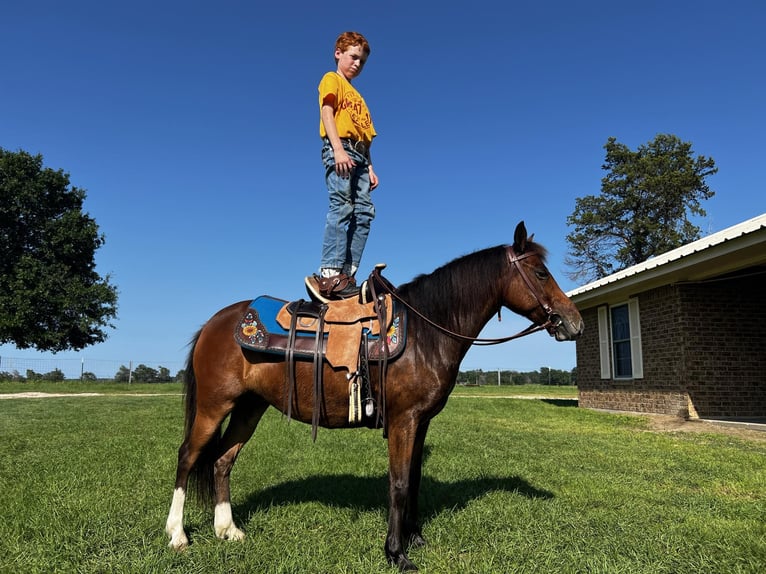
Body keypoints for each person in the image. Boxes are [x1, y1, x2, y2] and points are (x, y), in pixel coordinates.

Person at [306, 31, 379, 301]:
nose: (357, 64)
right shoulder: (332, 79)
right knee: (342, 206)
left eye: (362, 61)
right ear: (338, 53)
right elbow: (327, 113)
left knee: (365, 213)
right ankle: (330, 272)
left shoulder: (360, 99)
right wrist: (337, 150)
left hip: (360, 156)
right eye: (353, 57)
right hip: (341, 149)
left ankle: (347, 274)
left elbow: (366, 137)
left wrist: (370, 167)